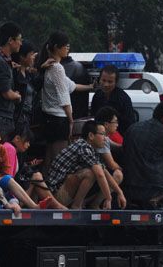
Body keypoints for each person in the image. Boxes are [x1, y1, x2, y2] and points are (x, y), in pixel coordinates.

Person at [36, 32, 92, 172]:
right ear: (56, 47)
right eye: (65, 46)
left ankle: (43, 189)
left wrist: (91, 87)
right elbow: (64, 96)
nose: (68, 48)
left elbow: (71, 85)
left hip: (49, 119)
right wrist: (71, 119)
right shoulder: (58, 68)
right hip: (59, 120)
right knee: (59, 160)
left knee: (49, 158)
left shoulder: (51, 67)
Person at [39, 120, 125, 210]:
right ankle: (76, 206)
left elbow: (104, 172)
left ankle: (92, 205)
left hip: (65, 190)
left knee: (105, 174)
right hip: (56, 195)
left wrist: (120, 192)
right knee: (90, 173)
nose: (106, 138)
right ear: (91, 136)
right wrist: (108, 198)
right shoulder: (83, 146)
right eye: (103, 134)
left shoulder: (91, 149)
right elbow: (99, 174)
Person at [0, 120, 39, 209]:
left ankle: (34, 206)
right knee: (35, 177)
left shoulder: (0, 150)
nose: (0, 138)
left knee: (8, 180)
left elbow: (6, 173)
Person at [90, 65, 136, 135]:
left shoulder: (124, 99)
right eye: (103, 80)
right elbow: (93, 118)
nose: (106, 84)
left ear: (116, 82)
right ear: (99, 79)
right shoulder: (97, 96)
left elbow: (129, 125)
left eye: (110, 82)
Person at [93, 106, 124, 186]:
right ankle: (101, 199)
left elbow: (118, 146)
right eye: (115, 122)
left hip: (96, 169)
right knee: (118, 175)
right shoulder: (100, 139)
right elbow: (112, 165)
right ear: (106, 124)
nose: (117, 125)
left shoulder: (105, 137)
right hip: (92, 172)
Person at [11, 42, 37, 135]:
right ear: (22, 57)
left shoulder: (28, 75)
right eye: (31, 55)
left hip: (27, 118)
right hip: (18, 118)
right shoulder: (15, 75)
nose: (33, 57)